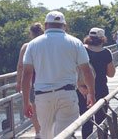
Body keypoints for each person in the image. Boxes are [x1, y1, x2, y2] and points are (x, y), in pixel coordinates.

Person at [21, 10, 95, 139]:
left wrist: (26, 102)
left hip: (43, 97)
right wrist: (91, 94)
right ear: (64, 25)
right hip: (67, 94)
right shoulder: (75, 42)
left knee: (46, 134)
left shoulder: (33, 44)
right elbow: (86, 70)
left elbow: (26, 74)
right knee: (65, 133)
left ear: (45, 25)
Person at [77, 28, 115, 139]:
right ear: (102, 39)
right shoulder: (106, 52)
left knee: (86, 120)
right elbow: (111, 74)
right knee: (102, 120)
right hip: (101, 89)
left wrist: (78, 85)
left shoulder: (81, 50)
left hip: (83, 90)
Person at [16, 22, 44, 138]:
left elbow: (20, 66)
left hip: (32, 81)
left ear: (31, 33)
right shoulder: (45, 44)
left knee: (33, 106)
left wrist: (19, 82)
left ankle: (38, 131)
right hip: (46, 79)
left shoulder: (26, 46)